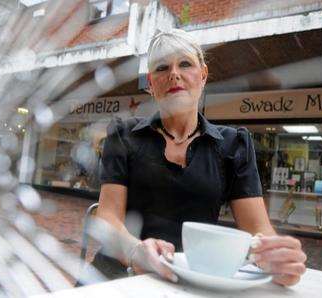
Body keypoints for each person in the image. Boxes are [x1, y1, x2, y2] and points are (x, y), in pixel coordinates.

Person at [91, 29, 306, 287]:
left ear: (203, 75)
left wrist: (275, 257)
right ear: (150, 83)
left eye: (185, 63)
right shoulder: (124, 135)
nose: (174, 74)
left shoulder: (233, 145)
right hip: (116, 275)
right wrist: (135, 251)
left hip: (191, 280)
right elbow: (107, 216)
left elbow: (257, 229)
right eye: (162, 68)